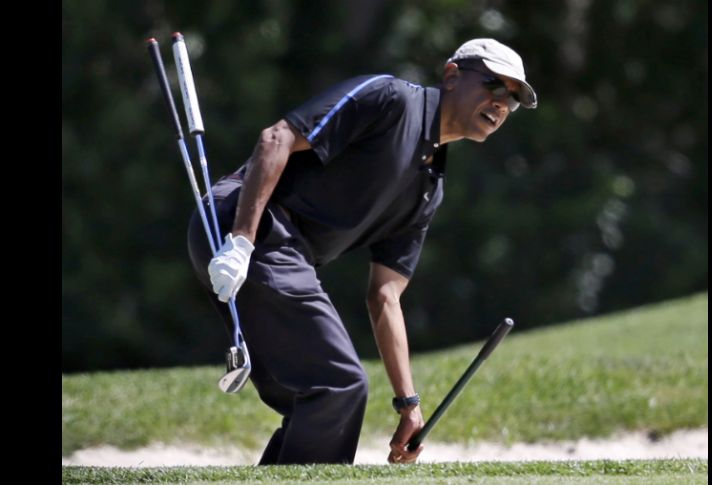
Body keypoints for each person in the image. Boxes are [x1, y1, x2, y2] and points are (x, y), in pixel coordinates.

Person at [187, 38, 537, 465]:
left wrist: (409, 404)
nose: (501, 104)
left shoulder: (428, 187)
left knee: (316, 401)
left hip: (280, 253)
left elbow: (385, 296)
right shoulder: (389, 99)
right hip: (244, 222)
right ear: (451, 76)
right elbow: (274, 139)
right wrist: (241, 240)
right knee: (340, 384)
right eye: (493, 86)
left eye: (513, 99)